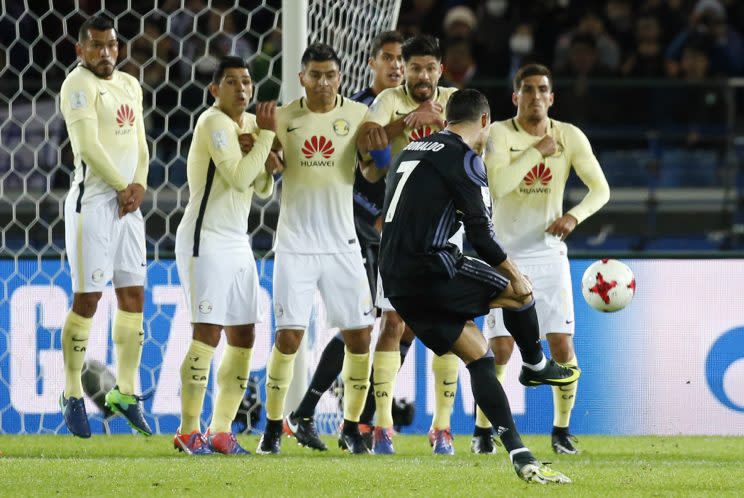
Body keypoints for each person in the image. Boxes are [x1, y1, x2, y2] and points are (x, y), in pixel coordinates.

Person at [379, 88, 576, 484]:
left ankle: (519, 454)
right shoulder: (466, 158)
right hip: (433, 268)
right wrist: (513, 270)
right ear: (485, 122)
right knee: (521, 290)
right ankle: (536, 364)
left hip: (394, 278)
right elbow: (483, 238)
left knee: (480, 357)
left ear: (447, 118)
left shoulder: (412, 150)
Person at [474, 63, 610, 455]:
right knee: (499, 349)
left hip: (550, 255)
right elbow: (498, 185)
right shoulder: (498, 133)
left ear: (552, 97)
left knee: (562, 345)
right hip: (504, 256)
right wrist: (537, 151)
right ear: (515, 96)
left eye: (542, 90)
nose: (536, 96)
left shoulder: (569, 135)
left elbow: (600, 190)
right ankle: (485, 431)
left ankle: (561, 431)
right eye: (528, 90)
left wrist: (574, 216)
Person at [281, 31, 405, 453]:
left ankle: (362, 421)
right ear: (371, 63)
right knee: (364, 324)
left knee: (394, 325)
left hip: (396, 230)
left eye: (401, 59)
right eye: (387, 57)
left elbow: (379, 168)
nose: (396, 66)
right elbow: (365, 173)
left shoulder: (406, 108)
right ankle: (326, 415)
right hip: (354, 229)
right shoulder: (355, 108)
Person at [256, 43, 378, 455]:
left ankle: (351, 428)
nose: (323, 82)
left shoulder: (359, 115)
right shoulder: (283, 118)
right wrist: (269, 157)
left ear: (340, 77)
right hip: (295, 244)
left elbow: (371, 169)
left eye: (330, 75)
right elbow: (266, 173)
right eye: (316, 75)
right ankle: (272, 429)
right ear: (301, 77)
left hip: (343, 245)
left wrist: (374, 157)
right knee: (289, 338)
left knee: (360, 337)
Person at [357, 34, 460, 455]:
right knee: (393, 321)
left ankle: (442, 427)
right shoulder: (387, 100)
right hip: (399, 230)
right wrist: (408, 120)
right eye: (412, 67)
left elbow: (484, 148)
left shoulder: (457, 102)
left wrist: (443, 126)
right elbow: (366, 142)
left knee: (442, 323)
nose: (419, 75)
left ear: (440, 71)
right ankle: (381, 425)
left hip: (447, 229)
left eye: (427, 68)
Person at [172, 56, 278, 455]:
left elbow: (262, 187)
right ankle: (187, 430)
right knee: (208, 332)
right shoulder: (212, 122)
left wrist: (269, 161)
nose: (242, 88)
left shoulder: (251, 124)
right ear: (215, 89)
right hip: (205, 239)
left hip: (237, 239)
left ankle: (220, 430)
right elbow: (235, 175)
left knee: (244, 333)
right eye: (231, 82)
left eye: (247, 81)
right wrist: (266, 140)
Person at [58, 14, 151, 438]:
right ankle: (72, 391)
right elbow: (87, 146)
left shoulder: (129, 84)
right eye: (96, 46)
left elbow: (141, 144)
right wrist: (121, 186)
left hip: (127, 206)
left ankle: (126, 393)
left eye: (111, 45)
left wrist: (139, 185)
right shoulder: (77, 85)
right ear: (81, 50)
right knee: (89, 300)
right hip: (93, 203)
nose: (105, 53)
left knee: (133, 296)